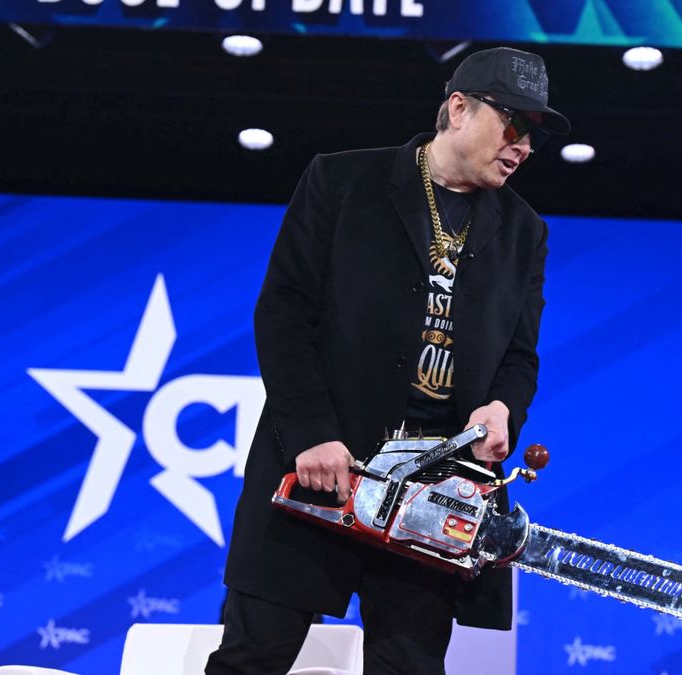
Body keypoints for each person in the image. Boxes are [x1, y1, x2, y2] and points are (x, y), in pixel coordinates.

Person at [206, 46, 570, 675]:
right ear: (459, 109)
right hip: (322, 466)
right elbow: (284, 315)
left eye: (532, 135)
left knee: (409, 666)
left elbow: (519, 354)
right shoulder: (342, 181)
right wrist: (312, 434)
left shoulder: (524, 231)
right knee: (254, 655)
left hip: (435, 487)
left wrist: (503, 406)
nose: (523, 147)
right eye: (513, 124)